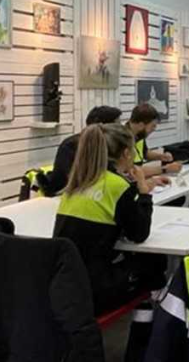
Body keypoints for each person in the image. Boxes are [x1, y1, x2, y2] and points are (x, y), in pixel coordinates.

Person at [53, 123, 166, 314]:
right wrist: (144, 192)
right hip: (94, 289)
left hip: (62, 283)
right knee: (155, 263)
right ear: (125, 154)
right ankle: (146, 326)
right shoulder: (117, 186)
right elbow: (139, 234)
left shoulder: (78, 182)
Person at [127, 104, 183, 177]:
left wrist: (160, 156)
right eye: (152, 126)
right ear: (141, 125)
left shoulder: (139, 134)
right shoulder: (121, 139)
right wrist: (165, 169)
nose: (154, 129)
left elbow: (145, 152)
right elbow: (131, 171)